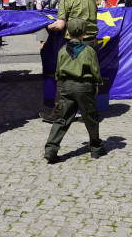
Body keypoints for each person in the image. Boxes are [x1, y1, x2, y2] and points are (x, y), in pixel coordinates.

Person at [39, 0, 100, 123]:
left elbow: (59, 25)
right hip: (92, 41)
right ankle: (90, 115)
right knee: (88, 79)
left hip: (74, 44)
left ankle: (58, 114)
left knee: (64, 78)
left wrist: (46, 26)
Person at [44, 16, 105, 164]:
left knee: (62, 119)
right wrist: (97, 84)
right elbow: (95, 70)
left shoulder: (62, 50)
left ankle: (51, 150)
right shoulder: (89, 51)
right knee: (90, 118)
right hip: (84, 87)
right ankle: (96, 149)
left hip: (66, 86)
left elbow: (58, 71)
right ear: (85, 33)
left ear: (68, 34)